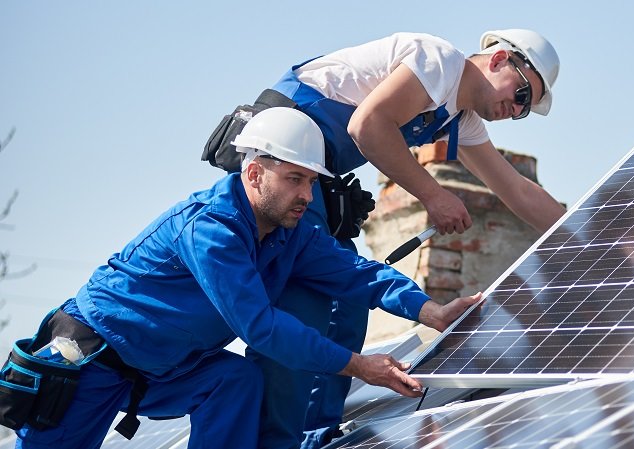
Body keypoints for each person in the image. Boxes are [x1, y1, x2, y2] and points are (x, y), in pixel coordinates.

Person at [7, 107, 478, 449]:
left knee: (236, 380)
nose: (305, 195)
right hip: (93, 362)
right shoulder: (210, 230)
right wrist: (357, 365)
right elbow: (262, 327)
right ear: (253, 173)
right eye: (294, 179)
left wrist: (428, 310)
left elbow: (356, 273)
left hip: (168, 369)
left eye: (312, 182)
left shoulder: (290, 233)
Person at [224, 30, 568, 448]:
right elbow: (367, 126)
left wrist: (592, 232)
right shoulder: (438, 61)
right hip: (282, 165)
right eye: (522, 95)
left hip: (314, 179)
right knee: (307, 303)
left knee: (348, 306)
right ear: (498, 60)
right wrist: (435, 195)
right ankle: (274, 440)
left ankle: (316, 435)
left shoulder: (460, 118)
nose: (516, 109)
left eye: (524, 111)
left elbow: (515, 189)